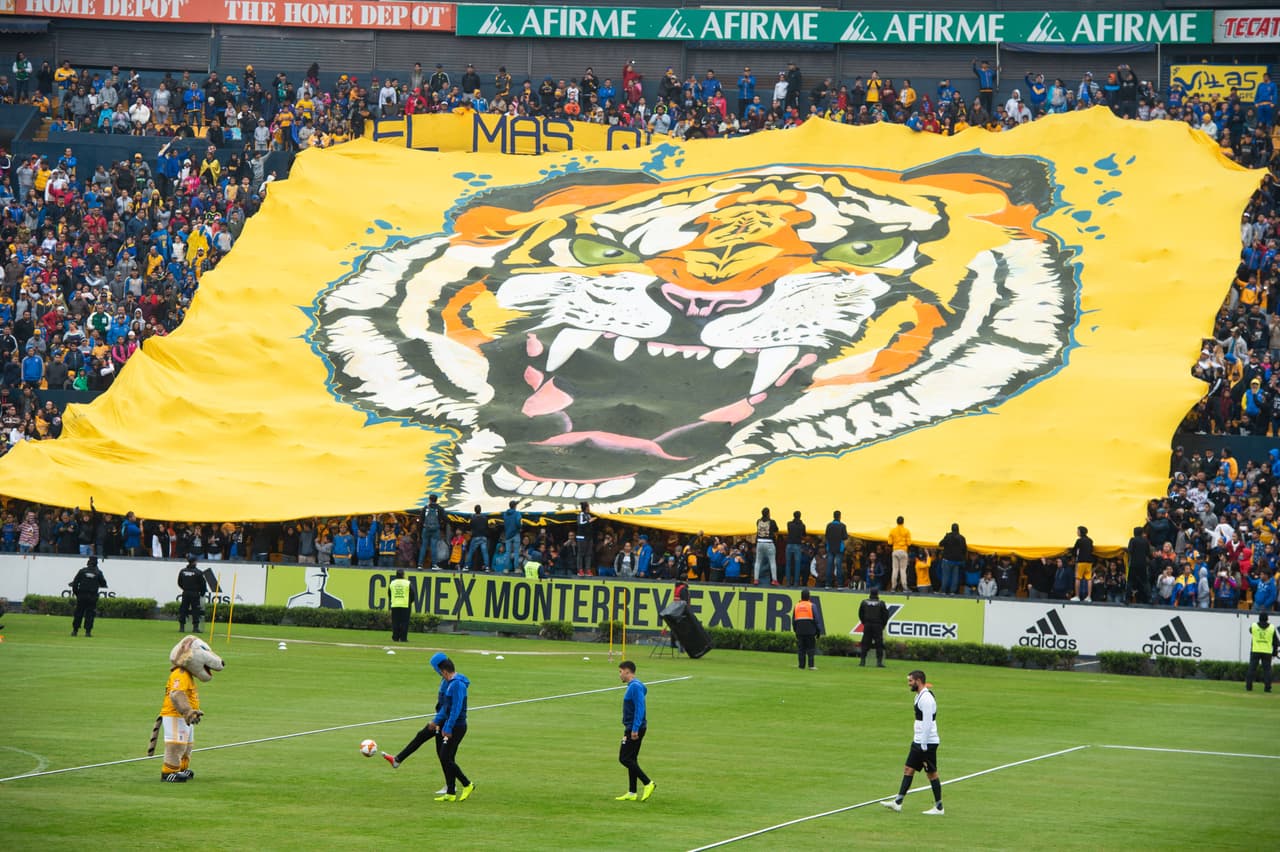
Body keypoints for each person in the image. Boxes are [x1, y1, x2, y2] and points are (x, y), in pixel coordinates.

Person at [384, 653, 474, 802]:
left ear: (443, 670)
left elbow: (453, 708)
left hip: (451, 724)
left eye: (436, 669)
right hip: (443, 721)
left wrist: (445, 725)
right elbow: (444, 706)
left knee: (445, 757)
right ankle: (450, 791)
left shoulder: (455, 684)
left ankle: (465, 784)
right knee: (441, 753)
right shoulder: (448, 681)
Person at [881, 669, 944, 815]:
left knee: (932, 774)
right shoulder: (919, 696)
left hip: (926, 743)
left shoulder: (926, 699)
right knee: (908, 769)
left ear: (918, 681)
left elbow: (928, 722)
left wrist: (923, 744)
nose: (909, 684)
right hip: (919, 741)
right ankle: (898, 802)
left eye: (910, 681)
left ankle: (939, 807)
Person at [616, 660, 656, 802]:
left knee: (624, 758)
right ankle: (632, 792)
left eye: (620, 672)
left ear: (627, 671)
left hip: (634, 728)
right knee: (631, 759)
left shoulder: (635, 687)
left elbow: (640, 708)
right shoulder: (635, 685)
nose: (620, 675)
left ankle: (648, 783)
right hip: (633, 727)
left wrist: (634, 729)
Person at [70, 555, 107, 637]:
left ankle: (75, 631)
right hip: (92, 596)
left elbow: (75, 583)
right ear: (96, 563)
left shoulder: (82, 571)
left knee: (78, 613)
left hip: (81, 595)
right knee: (90, 614)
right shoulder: (98, 573)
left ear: (88, 562)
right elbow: (104, 584)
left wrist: (77, 593)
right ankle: (88, 632)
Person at [1246, 612, 1279, 692]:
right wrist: (1274, 652)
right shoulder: (1271, 628)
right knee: (1267, 671)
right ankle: (1267, 688)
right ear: (1267, 618)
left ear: (1259, 618)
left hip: (1255, 650)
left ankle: (1249, 687)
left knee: (1252, 669)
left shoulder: (1254, 626)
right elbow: (1276, 642)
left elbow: (1250, 630)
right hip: (1267, 652)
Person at [858, 588, 890, 667]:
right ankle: (879, 662)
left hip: (867, 625)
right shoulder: (881, 603)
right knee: (879, 644)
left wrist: (864, 622)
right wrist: (883, 625)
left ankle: (862, 661)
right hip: (877, 625)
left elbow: (860, 614)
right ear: (877, 594)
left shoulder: (864, 602)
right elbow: (885, 615)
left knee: (865, 642)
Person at [177, 555, 207, 632]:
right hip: (195, 593)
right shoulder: (198, 572)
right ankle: (195, 628)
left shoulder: (182, 571)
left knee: (183, 609)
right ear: (194, 562)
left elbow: (179, 582)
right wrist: (202, 593)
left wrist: (185, 588)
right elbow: (203, 584)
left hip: (185, 593)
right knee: (195, 610)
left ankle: (181, 627)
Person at [792, 588, 821, 669]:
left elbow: (793, 620)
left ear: (801, 597)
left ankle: (801, 665)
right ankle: (811, 665)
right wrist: (818, 631)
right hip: (810, 630)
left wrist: (795, 630)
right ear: (809, 597)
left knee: (801, 649)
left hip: (799, 630)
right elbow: (816, 619)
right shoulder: (812, 605)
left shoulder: (796, 606)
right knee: (810, 648)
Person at [418, 493, 448, 570]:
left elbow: (421, 520)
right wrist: (441, 524)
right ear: (436, 500)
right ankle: (434, 565)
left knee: (424, 546)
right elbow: (446, 519)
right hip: (435, 530)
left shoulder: (425, 508)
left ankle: (420, 564)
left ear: (430, 500)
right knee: (433, 547)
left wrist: (421, 529)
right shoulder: (440, 508)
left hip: (426, 529)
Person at [937, 524, 966, 595]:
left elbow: (940, 544)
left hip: (947, 560)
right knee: (955, 577)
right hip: (957, 561)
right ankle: (952, 591)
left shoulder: (948, 536)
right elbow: (964, 550)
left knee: (945, 577)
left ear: (951, 529)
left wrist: (945, 537)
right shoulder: (962, 538)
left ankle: (943, 591)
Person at [754, 507, 780, 586]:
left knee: (758, 561)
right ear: (768, 513)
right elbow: (776, 530)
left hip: (759, 542)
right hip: (769, 543)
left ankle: (756, 579)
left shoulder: (758, 521)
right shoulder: (772, 522)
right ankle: (774, 580)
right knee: (772, 561)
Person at [1126, 526, 1152, 605]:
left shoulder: (1132, 540)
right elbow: (1148, 553)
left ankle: (1127, 599)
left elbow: (1130, 550)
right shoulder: (1145, 541)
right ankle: (1149, 598)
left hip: (1133, 563)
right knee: (1145, 582)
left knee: (1130, 582)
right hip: (1143, 564)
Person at [388, 569, 414, 642]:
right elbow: (412, 594)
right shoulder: (407, 583)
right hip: (405, 605)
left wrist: (393, 600)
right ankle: (403, 638)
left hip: (395, 604)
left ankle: (395, 638)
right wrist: (410, 602)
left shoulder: (392, 583)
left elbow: (389, 593)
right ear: (403, 575)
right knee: (404, 622)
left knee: (395, 622)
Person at [824, 510, 847, 588]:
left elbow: (826, 536)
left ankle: (828, 584)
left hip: (830, 548)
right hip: (839, 549)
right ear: (840, 516)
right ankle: (840, 584)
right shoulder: (842, 526)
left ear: (833, 516)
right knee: (838, 566)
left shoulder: (829, 525)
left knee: (829, 566)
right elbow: (845, 537)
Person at [889, 516, 911, 592]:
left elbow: (890, 542)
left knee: (895, 569)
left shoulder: (892, 531)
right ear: (903, 522)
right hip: (903, 551)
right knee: (903, 570)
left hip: (895, 550)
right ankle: (905, 587)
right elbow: (909, 543)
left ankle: (893, 587)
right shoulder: (906, 531)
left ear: (896, 522)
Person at [1072, 525, 1094, 601]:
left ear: (1080, 532)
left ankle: (1077, 596)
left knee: (1078, 578)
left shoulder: (1079, 540)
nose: (1077, 532)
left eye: (1077, 531)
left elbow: (1074, 550)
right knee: (1089, 579)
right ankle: (1089, 596)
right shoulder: (1090, 540)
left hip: (1081, 561)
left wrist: (1075, 555)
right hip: (1089, 562)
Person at [575, 502, 595, 576]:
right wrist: (589, 521)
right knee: (581, 554)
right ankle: (580, 570)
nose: (589, 508)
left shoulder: (589, 515)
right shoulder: (581, 515)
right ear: (586, 507)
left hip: (589, 537)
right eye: (588, 506)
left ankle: (587, 570)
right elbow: (580, 523)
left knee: (588, 554)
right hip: (581, 538)